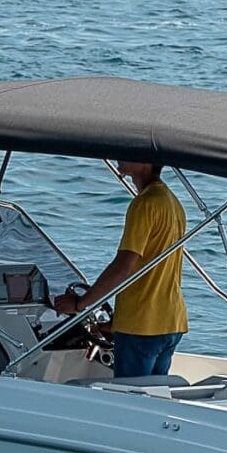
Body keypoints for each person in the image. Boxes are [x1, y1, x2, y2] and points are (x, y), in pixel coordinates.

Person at [56, 159, 188, 378]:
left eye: (129, 152)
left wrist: (80, 304)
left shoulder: (144, 204)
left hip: (142, 326)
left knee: (129, 395)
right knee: (154, 392)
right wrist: (116, 323)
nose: (119, 155)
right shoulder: (172, 202)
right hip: (170, 321)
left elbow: (123, 267)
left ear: (146, 161)